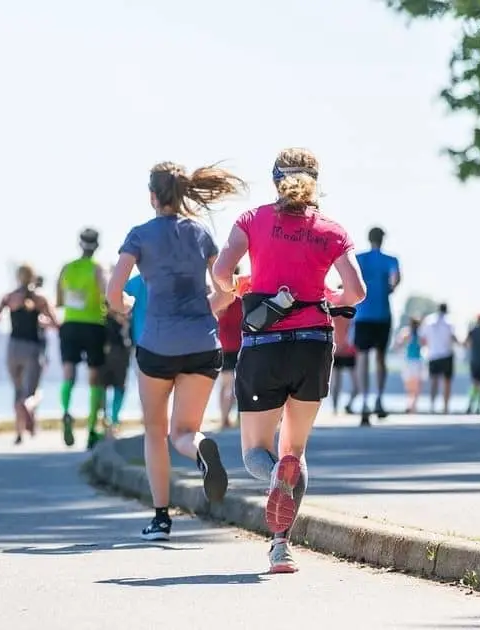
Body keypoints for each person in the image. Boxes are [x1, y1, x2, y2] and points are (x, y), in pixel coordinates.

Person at [212, 148, 365, 574]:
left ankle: (279, 477)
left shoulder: (251, 220)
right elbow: (357, 292)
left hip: (264, 346)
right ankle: (281, 548)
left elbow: (222, 273)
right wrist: (329, 298)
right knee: (295, 452)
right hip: (314, 345)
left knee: (256, 455)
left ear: (275, 179)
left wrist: (241, 285)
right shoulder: (332, 230)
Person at [107, 161, 241, 542]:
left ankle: (161, 518)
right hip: (203, 345)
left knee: (155, 432)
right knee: (185, 431)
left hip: (157, 347)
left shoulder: (139, 235)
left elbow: (113, 291)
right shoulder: (200, 234)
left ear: (152, 196)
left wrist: (125, 307)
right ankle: (200, 449)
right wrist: (208, 308)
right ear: (182, 194)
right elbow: (227, 290)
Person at [0, 264, 59, 444]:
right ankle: (28, 407)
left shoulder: (9, 297)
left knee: (17, 389)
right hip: (32, 348)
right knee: (32, 392)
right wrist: (45, 322)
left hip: (13, 348)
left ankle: (19, 432)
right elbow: (56, 323)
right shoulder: (40, 299)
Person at [57, 228, 108, 449]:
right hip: (94, 325)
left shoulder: (66, 268)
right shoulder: (98, 269)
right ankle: (91, 428)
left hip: (70, 323)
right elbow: (106, 296)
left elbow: (58, 300)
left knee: (69, 372)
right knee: (94, 377)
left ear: (80, 244)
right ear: (96, 246)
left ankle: (66, 411)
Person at [353, 227, 401, 425]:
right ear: (382, 240)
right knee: (381, 358)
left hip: (363, 314)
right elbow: (395, 280)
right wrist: (389, 288)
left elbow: (349, 280)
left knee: (362, 358)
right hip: (382, 313)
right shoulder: (391, 260)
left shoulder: (359, 258)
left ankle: (364, 400)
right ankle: (379, 399)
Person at [100, 296, 134, 435]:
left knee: (118, 388)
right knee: (108, 388)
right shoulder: (105, 322)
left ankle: (113, 419)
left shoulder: (126, 322)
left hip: (119, 357)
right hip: (110, 357)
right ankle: (108, 418)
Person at [215, 272, 244, 429]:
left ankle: (224, 418)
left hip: (224, 347)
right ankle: (237, 416)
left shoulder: (221, 301)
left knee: (225, 385)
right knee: (239, 385)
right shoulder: (241, 300)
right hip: (240, 346)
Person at [420, 303, 458, 414]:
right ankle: (445, 407)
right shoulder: (450, 321)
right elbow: (453, 337)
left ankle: (432, 406)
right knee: (447, 382)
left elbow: (423, 338)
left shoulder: (429, 320)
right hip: (446, 354)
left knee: (433, 381)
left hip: (433, 354)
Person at [330, 286, 360, 415]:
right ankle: (335, 409)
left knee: (356, 386)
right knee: (336, 382)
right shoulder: (334, 311)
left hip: (348, 351)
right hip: (337, 350)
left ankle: (347, 405)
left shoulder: (353, 312)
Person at [392, 318, 424, 412]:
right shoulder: (410, 333)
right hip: (413, 362)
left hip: (413, 361)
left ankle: (412, 405)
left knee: (413, 385)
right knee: (414, 385)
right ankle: (412, 405)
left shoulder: (413, 333)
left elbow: (398, 344)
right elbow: (398, 343)